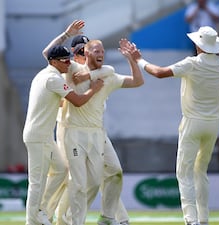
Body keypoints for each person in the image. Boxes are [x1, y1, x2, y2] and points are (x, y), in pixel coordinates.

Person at [131, 26, 219, 225]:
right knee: (201, 171)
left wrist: (138, 60)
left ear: (199, 45)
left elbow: (160, 73)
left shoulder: (192, 63)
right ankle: (203, 220)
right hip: (214, 123)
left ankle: (191, 220)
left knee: (184, 172)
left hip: (193, 122)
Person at [41, 20, 134, 225]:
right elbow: (49, 55)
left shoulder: (98, 71)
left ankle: (115, 218)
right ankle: (50, 216)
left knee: (103, 176)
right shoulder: (68, 69)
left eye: (88, 50)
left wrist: (92, 74)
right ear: (74, 54)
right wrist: (66, 34)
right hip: (69, 128)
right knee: (71, 178)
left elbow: (109, 70)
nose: (85, 55)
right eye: (81, 51)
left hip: (96, 130)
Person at [59, 37, 143, 225]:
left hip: (96, 134)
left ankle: (106, 218)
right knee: (78, 182)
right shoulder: (74, 69)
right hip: (74, 131)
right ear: (86, 53)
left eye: (103, 52)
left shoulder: (107, 76)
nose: (101, 54)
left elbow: (137, 81)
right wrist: (66, 34)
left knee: (100, 181)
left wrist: (131, 60)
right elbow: (48, 55)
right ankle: (72, 221)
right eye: (96, 51)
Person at [23, 45, 104, 225]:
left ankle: (42, 210)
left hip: (43, 136)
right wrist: (94, 89)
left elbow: (57, 102)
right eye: (65, 60)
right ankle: (32, 221)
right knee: (37, 182)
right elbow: (77, 101)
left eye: (69, 58)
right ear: (54, 62)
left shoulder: (44, 75)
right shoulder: (53, 79)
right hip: (38, 137)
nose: (69, 62)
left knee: (61, 169)